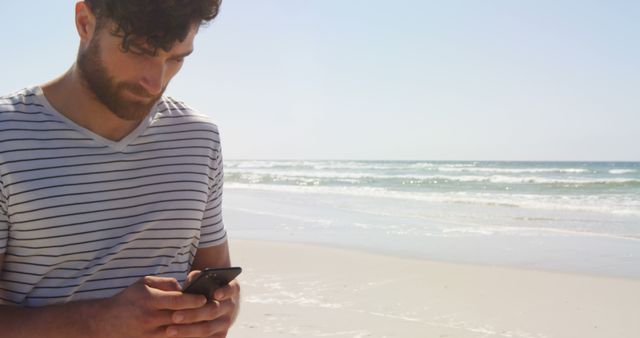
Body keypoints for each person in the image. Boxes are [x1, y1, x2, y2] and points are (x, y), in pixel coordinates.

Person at [0, 1, 240, 337]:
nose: (155, 83)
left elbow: (214, 274)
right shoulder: (6, 134)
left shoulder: (199, 137)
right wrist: (96, 322)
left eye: (176, 58)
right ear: (85, 22)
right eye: (141, 50)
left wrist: (223, 308)